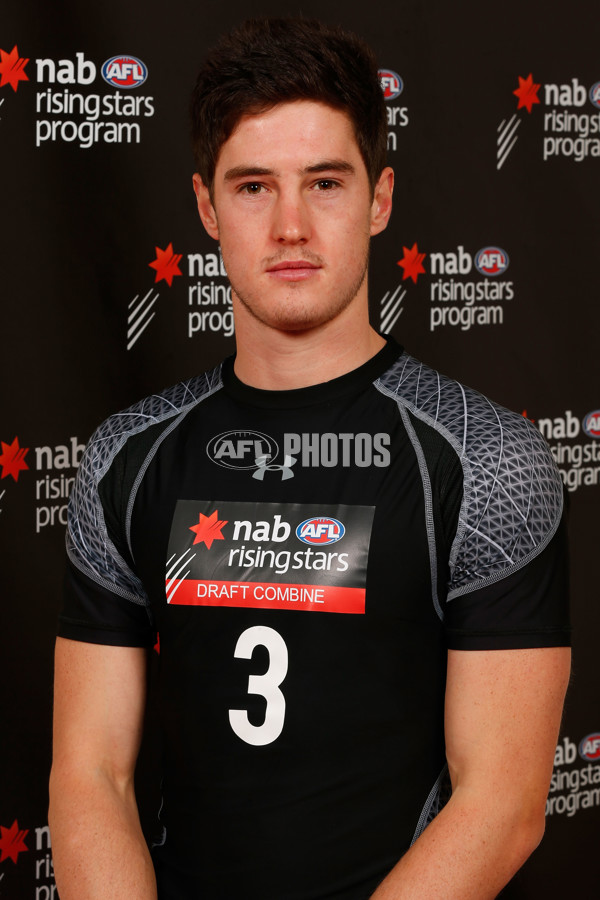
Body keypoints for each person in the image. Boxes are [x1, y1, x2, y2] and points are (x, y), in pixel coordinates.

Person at [48, 18, 571, 900]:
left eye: (325, 182)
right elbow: (89, 774)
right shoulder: (125, 460)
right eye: (254, 187)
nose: (291, 225)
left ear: (380, 198)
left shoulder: (488, 462)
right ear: (208, 207)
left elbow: (505, 805)